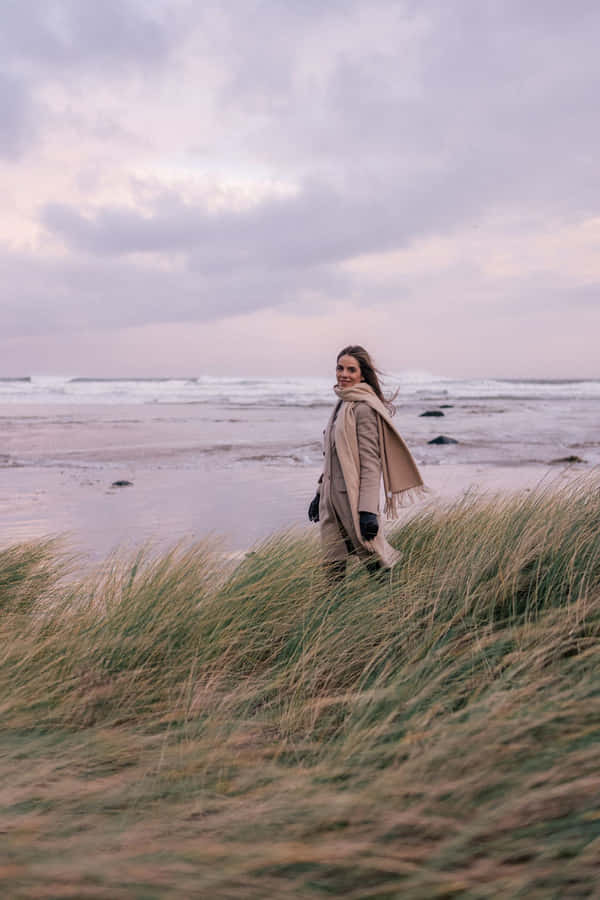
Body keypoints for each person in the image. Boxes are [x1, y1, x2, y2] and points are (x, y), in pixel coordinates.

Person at [308, 346, 425, 579]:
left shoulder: (363, 409)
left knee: (376, 563)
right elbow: (332, 458)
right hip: (331, 501)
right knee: (332, 567)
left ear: (363, 374)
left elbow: (371, 464)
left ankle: (396, 603)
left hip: (352, 500)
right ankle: (333, 612)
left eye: (351, 369)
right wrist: (320, 494)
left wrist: (368, 511)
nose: (344, 374)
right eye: (340, 368)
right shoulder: (341, 403)